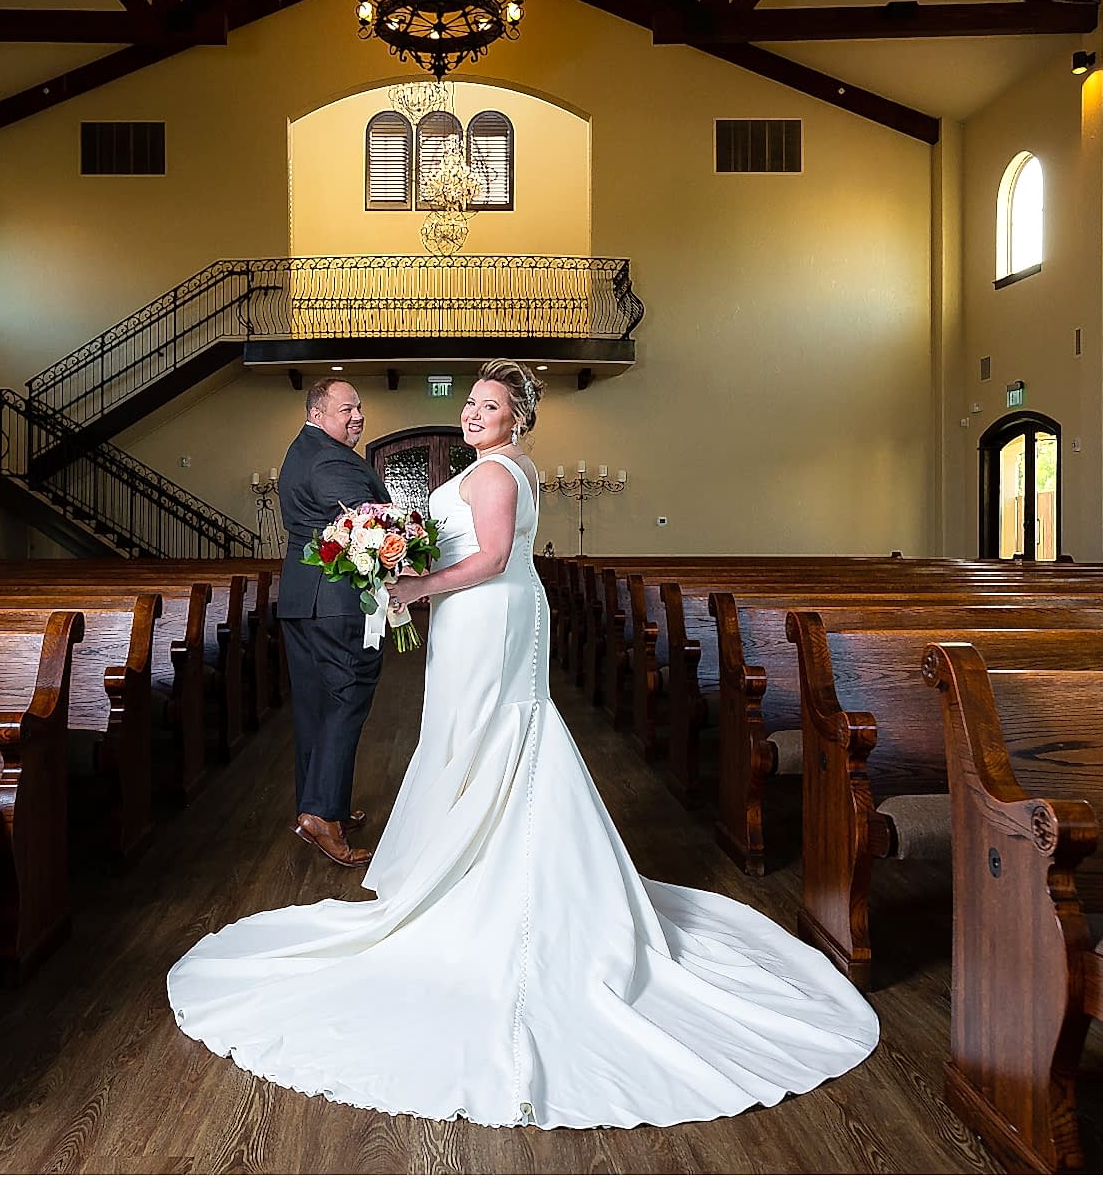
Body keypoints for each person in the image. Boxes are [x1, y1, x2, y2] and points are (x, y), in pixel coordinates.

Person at [169, 360, 877, 1128]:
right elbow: (456, 552)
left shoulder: (501, 474)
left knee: (495, 731)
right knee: (461, 733)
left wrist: (415, 586)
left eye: (489, 405)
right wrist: (393, 557)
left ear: (517, 418)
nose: (473, 414)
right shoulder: (485, 469)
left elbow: (496, 559)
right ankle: (467, 852)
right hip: (474, 616)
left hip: (493, 611)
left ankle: (499, 874)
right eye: (470, 404)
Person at [272, 377, 392, 868]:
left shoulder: (300, 451)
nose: (358, 417)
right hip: (336, 601)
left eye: (360, 408)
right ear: (318, 413)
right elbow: (367, 525)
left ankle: (322, 805)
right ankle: (322, 813)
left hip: (302, 599)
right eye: (347, 410)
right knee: (346, 698)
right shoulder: (335, 461)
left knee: (316, 705)